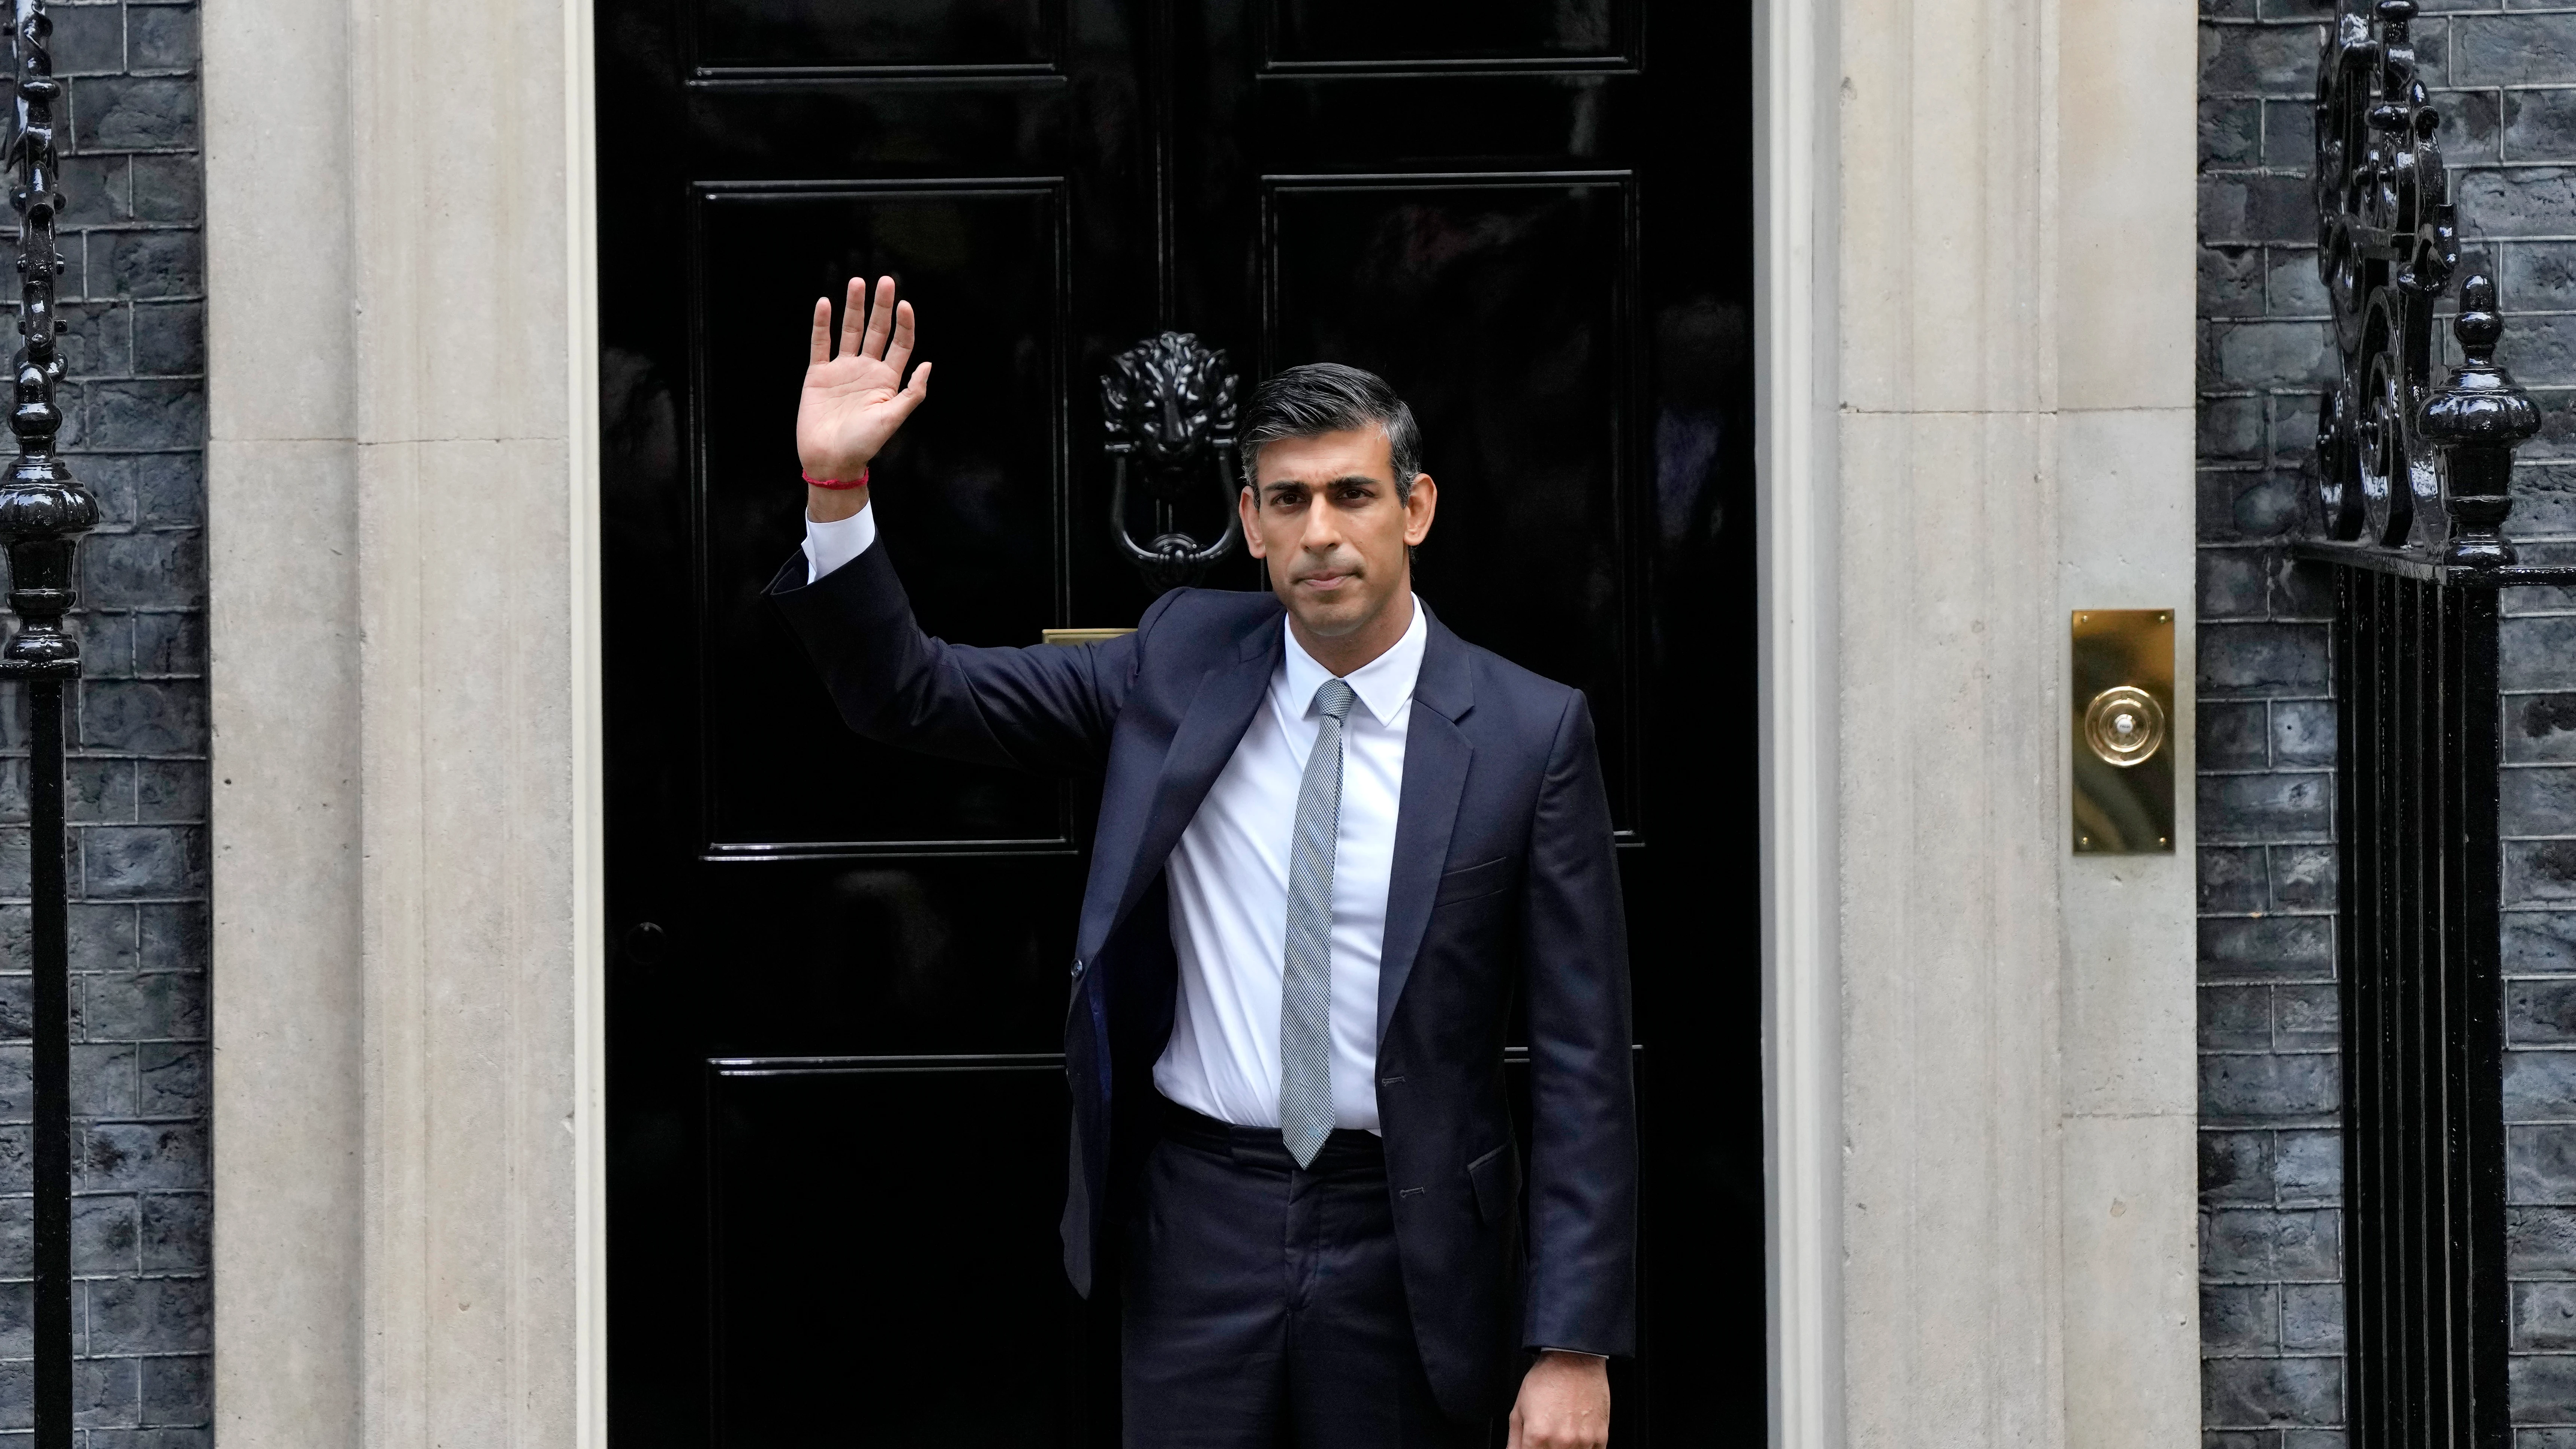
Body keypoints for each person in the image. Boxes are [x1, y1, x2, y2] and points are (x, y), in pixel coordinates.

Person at [769, 277, 1636, 1449]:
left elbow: (1585, 1060)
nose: (1321, 530)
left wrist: (1572, 1340)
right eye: (1290, 499)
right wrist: (838, 489)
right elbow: (912, 691)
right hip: (1202, 1220)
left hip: (1412, 1236)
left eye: (1351, 494)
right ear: (1252, 517)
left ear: (1416, 508)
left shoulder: (1531, 734)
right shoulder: (1178, 659)